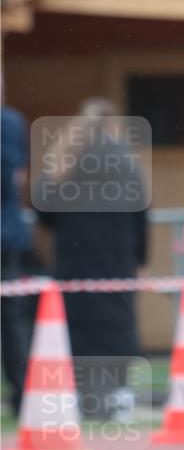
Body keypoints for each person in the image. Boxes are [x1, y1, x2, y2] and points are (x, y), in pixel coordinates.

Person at [37, 98, 149, 420]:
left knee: (77, 330)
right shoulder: (127, 163)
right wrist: (140, 258)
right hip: (117, 260)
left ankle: (82, 399)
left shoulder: (66, 160)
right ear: (114, 126)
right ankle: (119, 399)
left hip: (75, 260)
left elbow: (45, 211)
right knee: (118, 328)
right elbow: (141, 215)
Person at [1, 98, 32, 416]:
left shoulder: (9, 122)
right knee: (11, 319)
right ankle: (21, 391)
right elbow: (17, 177)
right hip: (8, 232)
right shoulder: (10, 122)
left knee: (11, 319)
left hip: (7, 234)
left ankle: (22, 391)